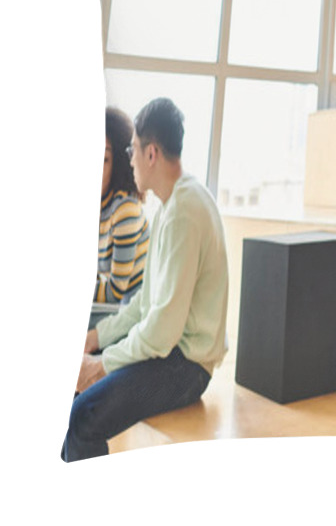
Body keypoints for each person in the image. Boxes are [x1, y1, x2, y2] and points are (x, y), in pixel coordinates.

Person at [62, 97, 229, 462]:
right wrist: (95, 339)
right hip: (172, 355)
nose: (130, 158)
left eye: (132, 149)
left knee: (83, 415)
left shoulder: (183, 212)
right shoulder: (173, 203)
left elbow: (161, 331)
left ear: (151, 153)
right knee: (73, 399)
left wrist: (102, 363)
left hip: (185, 368)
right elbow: (144, 303)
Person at [92, 107, 150, 326]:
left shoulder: (125, 210)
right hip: (117, 315)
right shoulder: (102, 207)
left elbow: (116, 291)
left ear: (119, 164)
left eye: (104, 160)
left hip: (133, 321)